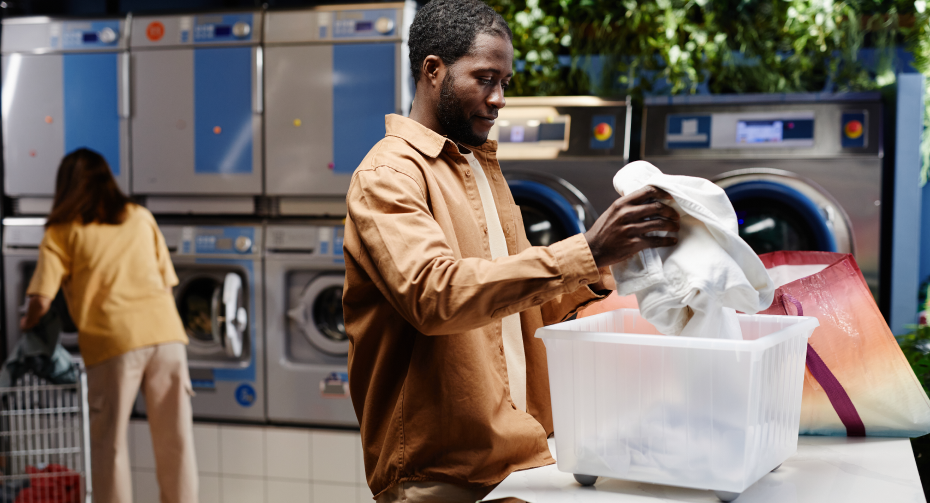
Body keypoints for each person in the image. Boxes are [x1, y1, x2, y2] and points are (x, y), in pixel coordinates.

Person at [342, 1, 681, 502]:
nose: (499, 98)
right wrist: (586, 249)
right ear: (433, 70)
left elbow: (520, 300)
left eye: (506, 81)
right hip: (439, 477)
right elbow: (437, 296)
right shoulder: (388, 177)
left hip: (517, 460)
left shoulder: (478, 166)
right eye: (484, 78)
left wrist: (618, 268)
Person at [20, 148, 198, 503]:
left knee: (109, 445)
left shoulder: (62, 229)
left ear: (65, 186)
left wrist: (27, 327)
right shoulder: (139, 216)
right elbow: (166, 283)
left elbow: (41, 299)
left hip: (114, 341)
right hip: (166, 336)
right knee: (176, 440)